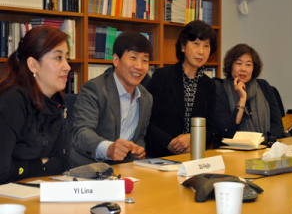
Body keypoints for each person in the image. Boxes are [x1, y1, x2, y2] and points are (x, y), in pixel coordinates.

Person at [70, 30, 153, 167]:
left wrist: (137, 149)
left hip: (127, 169)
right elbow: (81, 132)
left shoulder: (146, 98)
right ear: (116, 60)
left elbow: (140, 136)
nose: (139, 66)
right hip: (91, 168)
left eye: (145, 60)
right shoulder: (94, 89)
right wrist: (109, 148)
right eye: (133, 58)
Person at [0, 26, 71, 184]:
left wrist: (24, 168)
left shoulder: (57, 102)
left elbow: (64, 162)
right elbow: (1, 171)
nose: (67, 66)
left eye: (67, 58)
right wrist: (41, 164)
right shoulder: (13, 100)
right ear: (33, 65)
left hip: (35, 191)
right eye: (58, 58)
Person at [145, 20, 217, 158]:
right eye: (196, 44)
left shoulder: (209, 84)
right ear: (183, 46)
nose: (201, 51)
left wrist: (191, 138)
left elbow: (210, 129)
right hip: (161, 156)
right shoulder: (162, 76)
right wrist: (173, 144)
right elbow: (148, 122)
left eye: (206, 46)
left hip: (194, 155)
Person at [214, 44, 284, 148]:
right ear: (230, 65)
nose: (243, 69)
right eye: (238, 63)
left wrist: (262, 141)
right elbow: (227, 131)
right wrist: (242, 99)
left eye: (248, 64)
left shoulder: (263, 87)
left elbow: (278, 126)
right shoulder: (220, 91)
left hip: (264, 147)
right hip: (233, 151)